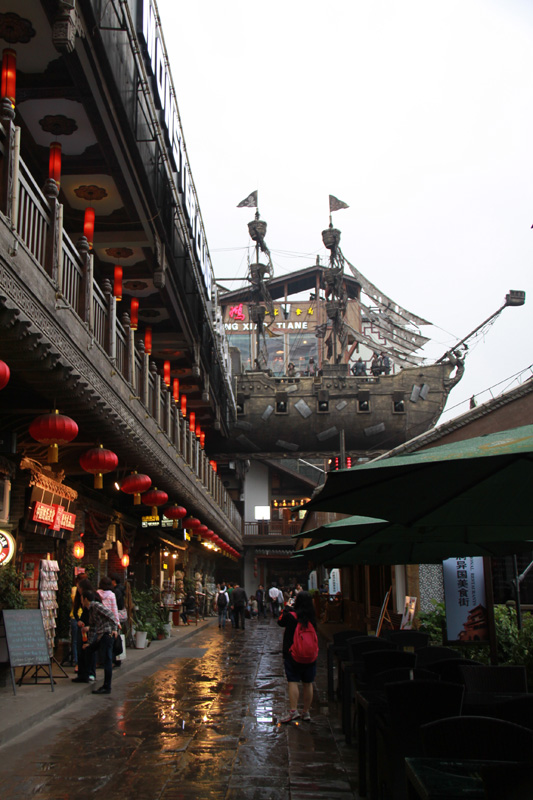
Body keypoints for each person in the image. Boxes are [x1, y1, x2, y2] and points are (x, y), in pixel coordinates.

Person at [277, 590, 318, 723]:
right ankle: (306, 712)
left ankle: (293, 711)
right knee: (308, 683)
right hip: (310, 656)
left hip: (292, 654)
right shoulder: (312, 618)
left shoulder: (291, 616)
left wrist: (287, 607)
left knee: (293, 681)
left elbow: (280, 621)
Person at [81, 590, 119, 695]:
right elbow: (93, 627)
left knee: (107, 660)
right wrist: (89, 642)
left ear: (85, 599)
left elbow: (110, 614)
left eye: (81, 598)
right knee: (89, 650)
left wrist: (114, 629)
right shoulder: (91, 610)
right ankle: (86, 674)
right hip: (101, 635)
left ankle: (107, 686)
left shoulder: (96, 606)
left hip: (107, 634)